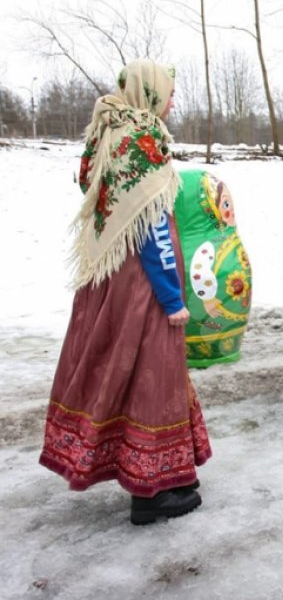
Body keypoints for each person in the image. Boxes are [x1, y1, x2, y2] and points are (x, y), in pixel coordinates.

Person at [39, 59, 212, 526]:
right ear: (150, 94)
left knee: (116, 369)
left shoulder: (106, 133)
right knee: (152, 375)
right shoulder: (143, 139)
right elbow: (153, 226)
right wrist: (172, 299)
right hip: (141, 282)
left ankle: (165, 473)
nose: (173, 101)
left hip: (107, 277)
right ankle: (151, 491)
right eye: (169, 93)